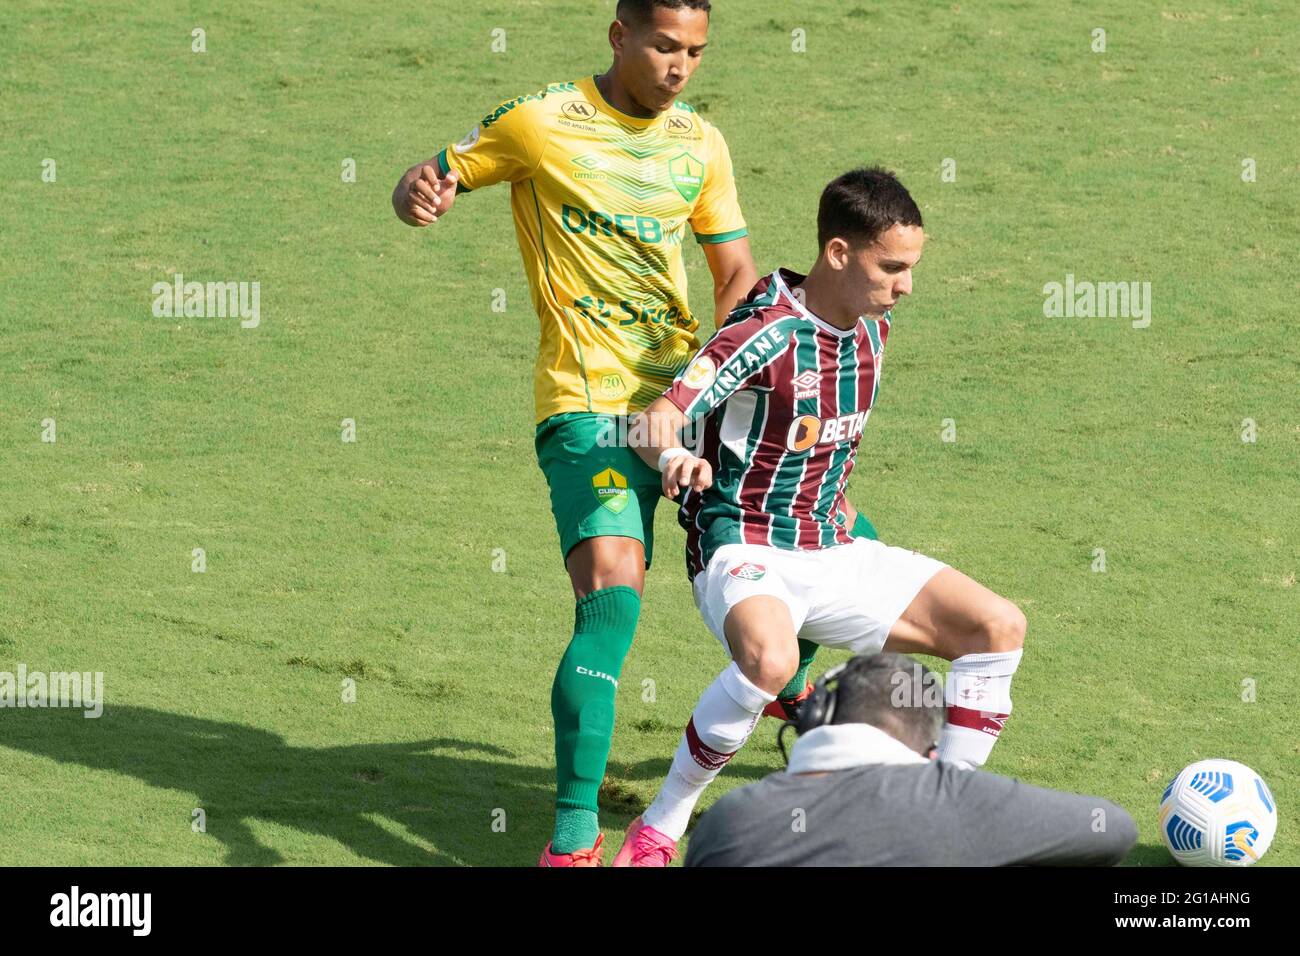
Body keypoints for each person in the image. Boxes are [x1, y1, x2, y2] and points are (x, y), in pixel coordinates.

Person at [390, 0, 877, 866]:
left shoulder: (701, 143)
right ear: (620, 37)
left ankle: (787, 687)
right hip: (590, 408)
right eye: (664, 46)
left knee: (839, 543)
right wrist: (419, 192)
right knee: (614, 592)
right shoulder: (541, 123)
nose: (680, 65)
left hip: (693, 402)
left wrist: (712, 385)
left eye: (695, 50)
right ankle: (574, 840)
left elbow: (735, 273)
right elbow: (432, 176)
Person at [614, 167, 1028, 866]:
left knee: (998, 627)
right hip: (743, 546)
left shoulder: (874, 327)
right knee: (770, 658)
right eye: (891, 266)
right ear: (839, 254)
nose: (905, 285)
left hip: (832, 549)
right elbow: (654, 420)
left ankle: (943, 817)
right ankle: (660, 825)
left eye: (911, 267)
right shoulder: (764, 333)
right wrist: (674, 460)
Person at [684, 653, 1138, 866]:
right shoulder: (954, 798)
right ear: (932, 753)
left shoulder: (728, 820)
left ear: (816, 718)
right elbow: (1113, 828)